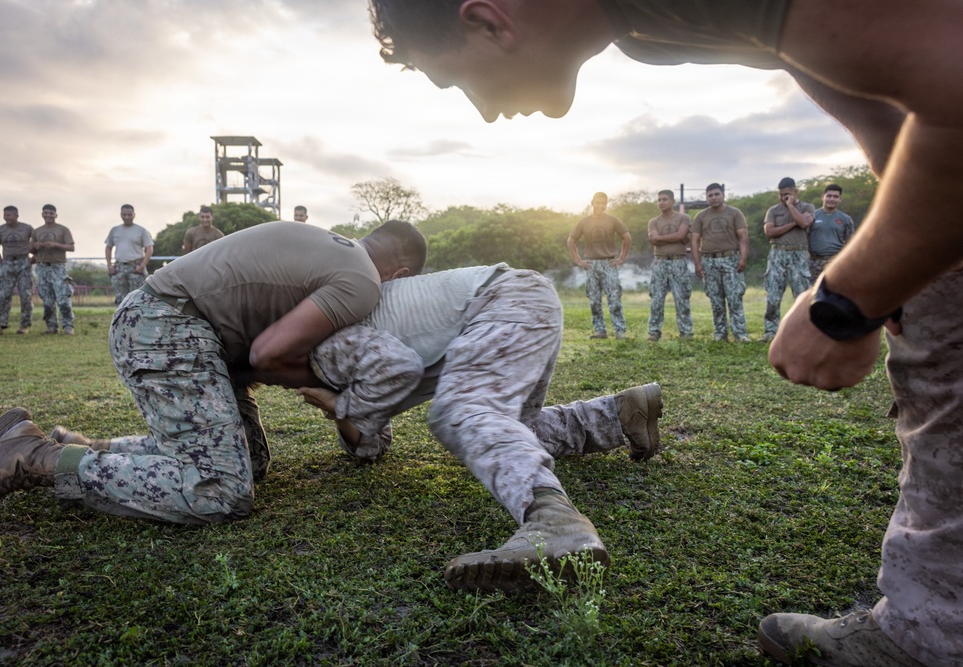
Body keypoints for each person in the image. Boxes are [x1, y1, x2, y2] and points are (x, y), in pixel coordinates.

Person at [365, 0, 963, 664]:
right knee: (941, 357)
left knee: (462, 411)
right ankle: (930, 630)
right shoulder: (642, 31)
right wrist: (910, 266)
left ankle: (927, 638)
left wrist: (847, 301)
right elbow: (886, 113)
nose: (482, 112)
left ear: (487, 20)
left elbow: (952, 95)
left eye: (456, 81)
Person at [0, 221, 427, 525]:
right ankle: (33, 457)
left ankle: (90, 447)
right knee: (222, 491)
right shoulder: (363, 281)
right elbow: (267, 355)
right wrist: (327, 393)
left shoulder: (333, 246)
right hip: (167, 326)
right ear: (400, 273)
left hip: (177, 326)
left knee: (251, 462)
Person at [295, 264, 663, 593]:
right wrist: (344, 408)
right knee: (509, 429)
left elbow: (395, 379)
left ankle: (554, 520)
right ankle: (619, 414)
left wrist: (342, 405)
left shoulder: (333, 335)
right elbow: (372, 442)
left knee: (459, 410)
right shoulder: (376, 310)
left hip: (503, 304)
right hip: (525, 300)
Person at [566, 192, 631, 339]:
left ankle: (620, 331)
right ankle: (600, 330)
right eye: (598, 202)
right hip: (591, 264)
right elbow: (571, 241)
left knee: (614, 299)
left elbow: (627, 237)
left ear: (606, 204)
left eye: (603, 203)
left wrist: (621, 258)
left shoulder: (613, 220)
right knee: (594, 301)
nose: (601, 206)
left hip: (609, 263)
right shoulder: (584, 222)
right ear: (592, 203)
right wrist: (578, 261)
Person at [690, 184, 749, 343]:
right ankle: (720, 334)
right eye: (710, 195)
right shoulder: (701, 216)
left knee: (734, 298)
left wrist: (743, 258)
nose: (713, 198)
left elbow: (743, 237)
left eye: (716, 194)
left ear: (723, 195)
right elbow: (694, 240)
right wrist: (697, 263)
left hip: (731, 259)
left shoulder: (735, 213)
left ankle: (740, 334)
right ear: (706, 198)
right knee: (715, 300)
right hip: (709, 261)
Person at [760, 177, 813, 343]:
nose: (783, 197)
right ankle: (770, 331)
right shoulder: (773, 210)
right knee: (773, 296)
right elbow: (769, 232)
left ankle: (804, 331)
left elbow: (804, 223)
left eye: (787, 194)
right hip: (778, 253)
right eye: (781, 194)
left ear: (795, 192)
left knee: (801, 296)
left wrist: (791, 206)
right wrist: (792, 224)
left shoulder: (807, 207)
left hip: (799, 254)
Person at [646, 189, 693, 341]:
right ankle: (654, 332)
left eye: (665, 199)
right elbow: (654, 240)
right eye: (659, 200)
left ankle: (686, 333)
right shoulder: (653, 221)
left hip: (678, 261)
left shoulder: (683, 218)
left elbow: (681, 235)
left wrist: (661, 238)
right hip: (659, 261)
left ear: (673, 201)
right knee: (656, 299)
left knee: (682, 298)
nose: (661, 202)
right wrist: (676, 238)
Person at [31, 204, 76, 335]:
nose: (48, 215)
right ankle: (51, 326)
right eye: (46, 213)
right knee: (47, 300)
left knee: (63, 299)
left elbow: (71, 247)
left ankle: (68, 326)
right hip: (42, 267)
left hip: (58, 266)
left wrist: (56, 244)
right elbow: (31, 249)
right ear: (42, 214)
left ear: (56, 215)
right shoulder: (37, 231)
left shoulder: (63, 230)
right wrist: (35, 246)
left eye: (51, 213)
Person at [0, 205, 34, 335]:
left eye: (9, 215)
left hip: (24, 262)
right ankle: (0, 324)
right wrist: (1, 263)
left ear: (16, 216)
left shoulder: (27, 228)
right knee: (4, 295)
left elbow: (37, 243)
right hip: (7, 262)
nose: (6, 217)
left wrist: (34, 258)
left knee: (25, 295)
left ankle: (24, 325)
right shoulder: (0, 230)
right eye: (5, 215)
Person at [105, 204, 154, 306]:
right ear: (121, 215)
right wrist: (109, 265)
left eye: (129, 215)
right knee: (120, 299)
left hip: (135, 268)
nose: (127, 217)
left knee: (138, 298)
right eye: (124, 215)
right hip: (119, 268)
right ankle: (121, 316)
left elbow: (149, 248)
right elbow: (108, 247)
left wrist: (142, 265)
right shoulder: (115, 230)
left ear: (134, 214)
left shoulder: (141, 230)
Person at [807, 184, 855, 284]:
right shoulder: (811, 216)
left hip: (836, 262)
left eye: (835, 196)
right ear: (822, 197)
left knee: (836, 291)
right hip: (814, 263)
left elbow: (850, 243)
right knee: (813, 291)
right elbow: (803, 239)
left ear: (840, 199)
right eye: (829, 196)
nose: (832, 199)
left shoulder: (846, 219)